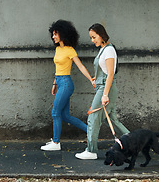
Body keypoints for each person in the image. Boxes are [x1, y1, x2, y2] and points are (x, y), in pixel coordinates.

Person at [75, 23, 130, 159]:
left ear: (101, 35)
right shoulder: (103, 49)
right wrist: (97, 78)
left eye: (94, 37)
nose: (92, 40)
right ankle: (135, 142)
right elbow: (105, 71)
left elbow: (110, 74)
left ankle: (91, 151)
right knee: (112, 120)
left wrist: (105, 94)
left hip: (106, 89)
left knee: (93, 118)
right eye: (91, 38)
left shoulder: (109, 50)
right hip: (103, 87)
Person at [41, 20, 95, 151]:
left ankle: (56, 142)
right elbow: (57, 68)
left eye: (55, 34)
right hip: (60, 83)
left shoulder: (70, 50)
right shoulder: (58, 49)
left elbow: (80, 66)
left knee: (55, 113)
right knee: (65, 116)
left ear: (63, 34)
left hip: (66, 83)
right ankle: (91, 132)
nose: (53, 37)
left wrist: (91, 79)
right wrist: (54, 84)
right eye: (52, 34)